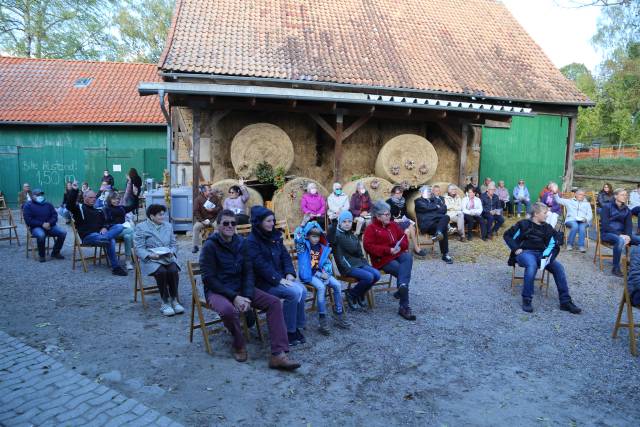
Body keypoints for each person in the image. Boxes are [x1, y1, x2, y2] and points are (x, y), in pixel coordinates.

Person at [200, 209, 301, 369]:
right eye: (225, 223)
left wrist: (246, 296)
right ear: (218, 225)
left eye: (233, 223)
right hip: (218, 291)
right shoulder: (209, 246)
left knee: (274, 303)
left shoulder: (241, 242)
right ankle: (238, 344)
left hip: (241, 288)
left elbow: (248, 272)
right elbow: (209, 279)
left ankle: (278, 354)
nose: (230, 226)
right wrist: (234, 297)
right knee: (228, 311)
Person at [503, 202, 582, 314]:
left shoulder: (547, 227)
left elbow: (554, 244)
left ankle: (565, 301)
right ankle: (527, 299)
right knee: (532, 265)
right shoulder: (523, 224)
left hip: (542, 254)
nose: (547, 215)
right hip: (525, 253)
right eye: (545, 213)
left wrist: (550, 253)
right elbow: (507, 235)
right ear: (536, 214)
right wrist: (515, 248)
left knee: (559, 268)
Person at [247, 206, 308, 346]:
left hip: (280, 278)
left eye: (273, 220)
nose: (272, 224)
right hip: (264, 283)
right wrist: (279, 279)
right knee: (292, 293)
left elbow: (285, 257)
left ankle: (296, 326)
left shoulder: (275, 236)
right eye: (268, 221)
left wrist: (289, 273)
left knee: (303, 290)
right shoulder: (251, 242)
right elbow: (260, 265)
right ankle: (288, 331)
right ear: (259, 222)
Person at [294, 219, 349, 335]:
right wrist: (302, 224)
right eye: (313, 236)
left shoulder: (322, 247)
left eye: (318, 236)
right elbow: (297, 236)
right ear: (308, 236)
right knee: (321, 288)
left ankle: (338, 313)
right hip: (309, 274)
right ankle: (322, 318)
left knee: (338, 285)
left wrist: (327, 273)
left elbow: (327, 263)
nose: (316, 239)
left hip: (321, 273)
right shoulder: (303, 246)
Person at [363, 201, 416, 320]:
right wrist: (388, 250)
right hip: (383, 259)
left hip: (397, 253)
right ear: (378, 216)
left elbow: (404, 240)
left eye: (389, 214)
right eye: (386, 214)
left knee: (408, 257)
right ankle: (404, 305)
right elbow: (369, 246)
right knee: (402, 270)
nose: (389, 216)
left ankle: (402, 287)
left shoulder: (393, 225)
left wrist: (399, 247)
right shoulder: (371, 229)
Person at [66, 182, 128, 276]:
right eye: (90, 197)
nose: (93, 199)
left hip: (101, 235)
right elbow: (69, 205)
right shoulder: (79, 208)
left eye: (94, 197)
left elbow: (105, 222)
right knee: (110, 240)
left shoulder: (98, 210)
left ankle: (115, 266)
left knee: (119, 226)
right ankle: (116, 267)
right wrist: (74, 190)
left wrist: (104, 227)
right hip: (89, 236)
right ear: (84, 197)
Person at [134, 204, 183, 316]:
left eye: (163, 214)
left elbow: (174, 244)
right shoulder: (141, 227)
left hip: (167, 257)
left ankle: (174, 300)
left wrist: (172, 251)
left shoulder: (168, 226)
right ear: (152, 216)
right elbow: (139, 248)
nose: (163, 217)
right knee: (161, 272)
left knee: (173, 270)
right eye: (160, 215)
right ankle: (165, 302)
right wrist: (150, 255)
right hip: (151, 258)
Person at [330, 211, 380, 310]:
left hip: (358, 263)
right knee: (369, 277)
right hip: (347, 266)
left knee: (376, 275)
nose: (347, 224)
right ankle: (352, 294)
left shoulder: (351, 234)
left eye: (349, 221)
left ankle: (360, 293)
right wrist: (334, 223)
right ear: (340, 223)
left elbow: (359, 253)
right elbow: (350, 247)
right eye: (344, 222)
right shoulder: (337, 235)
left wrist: (366, 264)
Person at [600, 188, 640, 277]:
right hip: (607, 233)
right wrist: (620, 235)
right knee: (620, 240)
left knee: (638, 240)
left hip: (623, 234)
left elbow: (629, 226)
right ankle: (615, 268)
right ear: (615, 196)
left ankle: (634, 265)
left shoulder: (627, 210)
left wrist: (629, 236)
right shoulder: (607, 207)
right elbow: (605, 225)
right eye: (622, 194)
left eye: (626, 195)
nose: (625, 196)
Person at [23, 188, 66, 262]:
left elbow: (54, 216)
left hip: (50, 226)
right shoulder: (28, 205)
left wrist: (49, 223)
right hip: (36, 227)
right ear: (32, 196)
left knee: (63, 232)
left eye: (41, 194)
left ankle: (55, 252)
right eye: (38, 194)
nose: (40, 196)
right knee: (41, 235)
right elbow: (28, 220)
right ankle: (42, 255)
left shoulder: (48, 204)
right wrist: (42, 224)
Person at [414, 185, 453, 263]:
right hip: (426, 225)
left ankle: (439, 235)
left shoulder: (433, 200)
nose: (429, 193)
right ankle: (444, 253)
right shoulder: (418, 201)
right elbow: (426, 208)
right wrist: (436, 207)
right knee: (444, 226)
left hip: (435, 225)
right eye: (427, 191)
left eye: (429, 191)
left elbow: (444, 209)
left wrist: (435, 208)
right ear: (421, 193)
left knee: (446, 218)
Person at [386, 185, 427, 256]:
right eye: (397, 193)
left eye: (401, 193)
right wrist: (395, 220)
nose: (399, 195)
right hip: (393, 222)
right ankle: (410, 249)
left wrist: (410, 220)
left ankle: (413, 248)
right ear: (393, 193)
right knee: (408, 230)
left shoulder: (403, 201)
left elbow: (405, 213)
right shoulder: (388, 202)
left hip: (402, 221)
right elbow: (386, 215)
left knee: (411, 226)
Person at [552, 185, 592, 252]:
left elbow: (590, 215)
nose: (581, 196)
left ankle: (581, 246)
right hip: (571, 220)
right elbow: (558, 200)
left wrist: (586, 219)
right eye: (580, 194)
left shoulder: (587, 204)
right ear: (576, 195)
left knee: (582, 227)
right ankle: (570, 244)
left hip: (583, 220)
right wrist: (555, 193)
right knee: (575, 225)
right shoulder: (569, 201)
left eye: (583, 195)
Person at [103, 192, 136, 270]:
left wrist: (135, 195)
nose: (116, 200)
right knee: (130, 230)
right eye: (114, 199)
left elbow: (134, 206)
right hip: (112, 232)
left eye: (118, 199)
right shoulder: (106, 208)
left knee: (128, 236)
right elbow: (105, 222)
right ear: (110, 200)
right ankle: (136, 249)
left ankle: (128, 261)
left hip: (123, 231)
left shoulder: (121, 208)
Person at [192, 185, 222, 253]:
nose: (211, 191)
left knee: (218, 227)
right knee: (195, 227)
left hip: (213, 219)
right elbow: (195, 211)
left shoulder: (215, 198)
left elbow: (220, 208)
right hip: (203, 220)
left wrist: (213, 210)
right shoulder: (198, 199)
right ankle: (195, 246)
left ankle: (215, 245)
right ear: (204, 191)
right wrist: (202, 220)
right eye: (209, 190)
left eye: (211, 190)